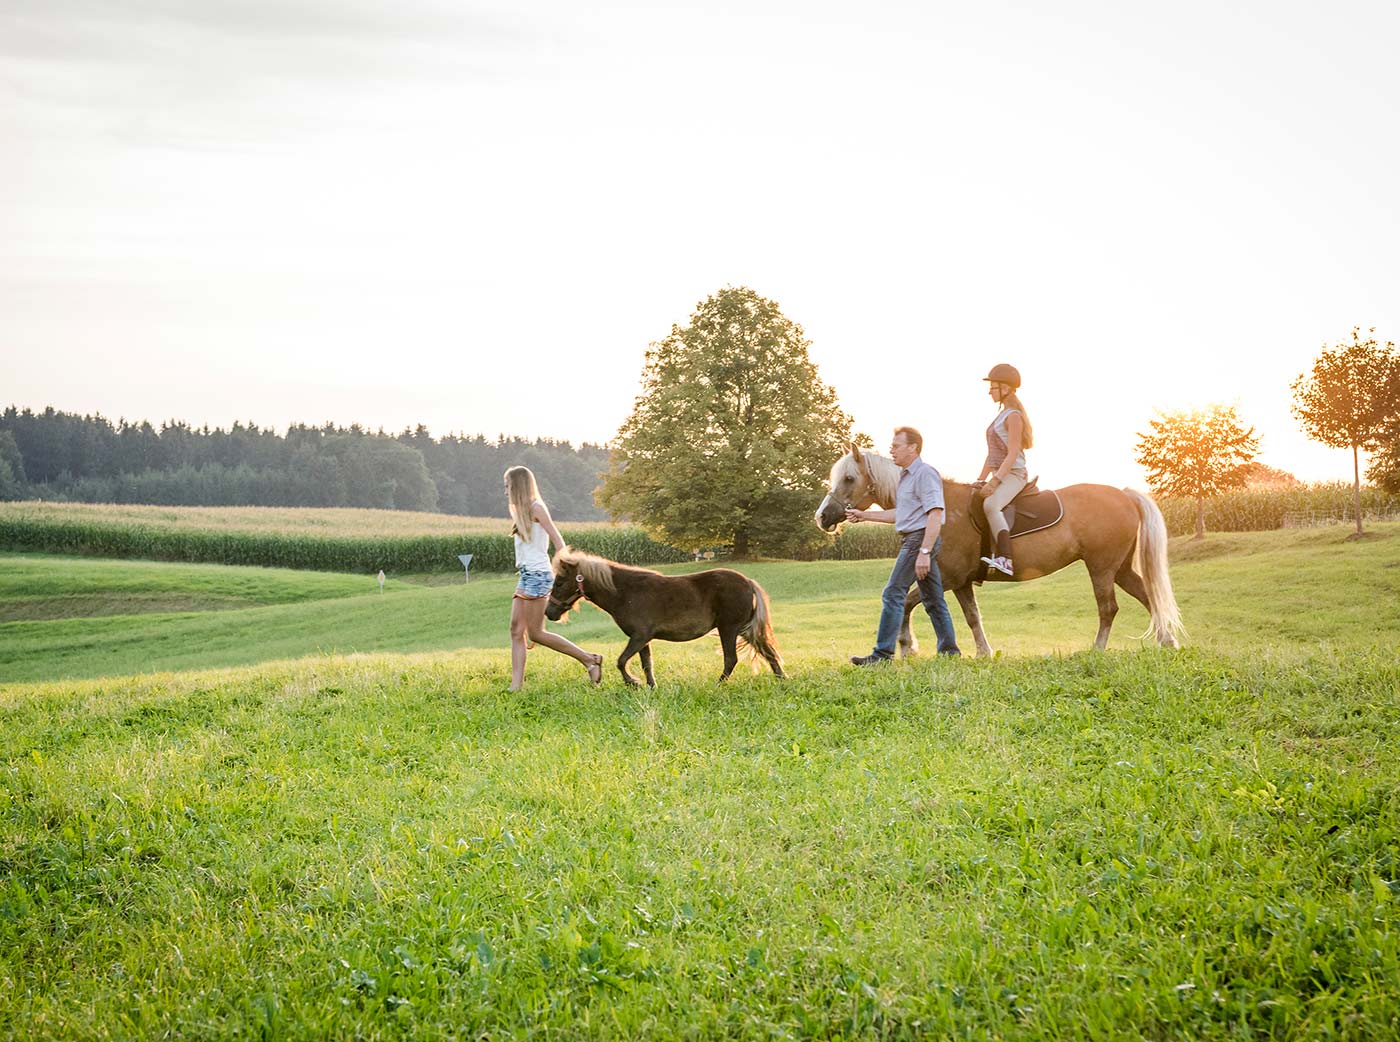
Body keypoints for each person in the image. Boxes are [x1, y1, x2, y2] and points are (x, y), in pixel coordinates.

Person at [847, 427, 961, 664]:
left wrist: (925, 552)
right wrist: (865, 516)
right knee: (933, 597)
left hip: (919, 541)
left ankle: (882, 655)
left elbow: (935, 513)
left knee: (893, 592)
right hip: (914, 539)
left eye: (896, 445)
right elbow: (902, 514)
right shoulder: (905, 477)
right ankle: (950, 652)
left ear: (913, 448)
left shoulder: (925, 474)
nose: (892, 450)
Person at [504, 465, 603, 691]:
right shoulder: (518, 510)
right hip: (526, 575)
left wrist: (564, 569)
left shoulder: (537, 508)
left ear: (518, 485)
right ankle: (515, 686)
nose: (505, 490)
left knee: (536, 633)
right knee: (516, 630)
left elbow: (558, 540)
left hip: (539, 575)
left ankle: (590, 659)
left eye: (508, 485)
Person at [975, 363, 1033, 577]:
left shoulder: (1014, 416)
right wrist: (980, 479)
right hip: (1000, 473)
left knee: (991, 505)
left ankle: (1005, 559)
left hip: (1014, 475)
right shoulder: (1000, 416)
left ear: (1006, 388)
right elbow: (992, 455)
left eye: (993, 386)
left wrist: (995, 480)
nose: (990, 390)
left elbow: (1012, 452)